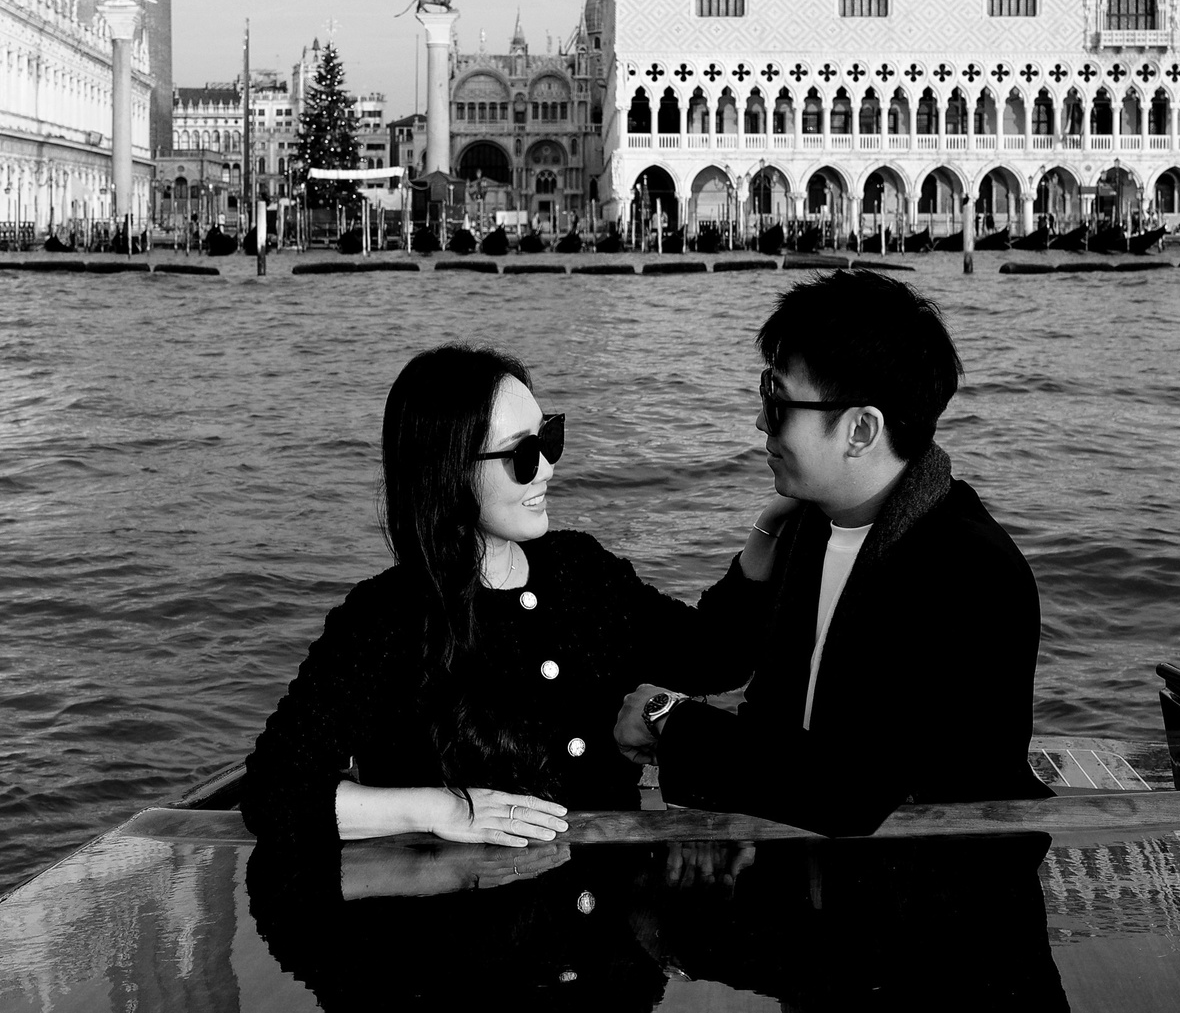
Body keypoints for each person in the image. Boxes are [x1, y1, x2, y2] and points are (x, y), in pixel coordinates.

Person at [240, 345, 748, 849]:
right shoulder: (389, 617)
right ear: (450, 470)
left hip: (605, 906)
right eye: (524, 454)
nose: (547, 467)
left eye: (550, 438)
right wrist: (444, 810)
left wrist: (768, 533)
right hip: (475, 913)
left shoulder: (581, 569)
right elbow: (274, 786)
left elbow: (716, 657)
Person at [614, 269, 1051, 835]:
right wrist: (760, 545)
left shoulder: (969, 570)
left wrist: (669, 721)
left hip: (931, 899)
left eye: (777, 402)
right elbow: (720, 656)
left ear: (860, 431)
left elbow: (850, 786)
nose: (758, 421)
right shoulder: (808, 526)